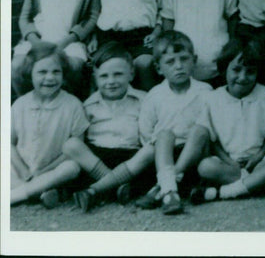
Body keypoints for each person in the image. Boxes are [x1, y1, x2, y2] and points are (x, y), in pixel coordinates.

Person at [188, 40, 265, 203]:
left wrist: (259, 155)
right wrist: (230, 161)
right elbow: (212, 140)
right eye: (236, 70)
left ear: (257, 72)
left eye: (250, 72)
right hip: (229, 163)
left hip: (259, 161)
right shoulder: (213, 99)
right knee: (205, 167)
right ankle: (256, 184)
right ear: (224, 69)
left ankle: (224, 192)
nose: (242, 77)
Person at [65, 42, 155, 212]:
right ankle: (115, 186)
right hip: (98, 159)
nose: (111, 81)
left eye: (118, 74)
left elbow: (147, 135)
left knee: (150, 151)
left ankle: (101, 190)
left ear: (131, 74)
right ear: (95, 78)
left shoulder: (144, 100)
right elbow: (81, 141)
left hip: (130, 158)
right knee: (71, 145)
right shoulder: (88, 105)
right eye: (104, 76)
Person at [135, 31, 213, 215]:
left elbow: (213, 129)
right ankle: (171, 192)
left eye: (184, 59)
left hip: (196, 156)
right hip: (165, 157)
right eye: (170, 62)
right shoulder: (155, 95)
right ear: (159, 67)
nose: (179, 66)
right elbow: (145, 132)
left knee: (200, 130)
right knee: (163, 135)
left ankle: (164, 187)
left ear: (193, 60)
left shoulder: (205, 92)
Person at [10, 43, 88, 208]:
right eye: (42, 72)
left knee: (72, 168)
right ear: (30, 74)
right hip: (21, 170)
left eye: (56, 72)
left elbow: (76, 149)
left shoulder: (73, 105)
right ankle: (40, 191)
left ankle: (16, 196)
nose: (50, 77)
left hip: (54, 169)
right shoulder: (20, 104)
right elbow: (9, 144)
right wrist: (25, 172)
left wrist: (42, 173)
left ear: (63, 74)